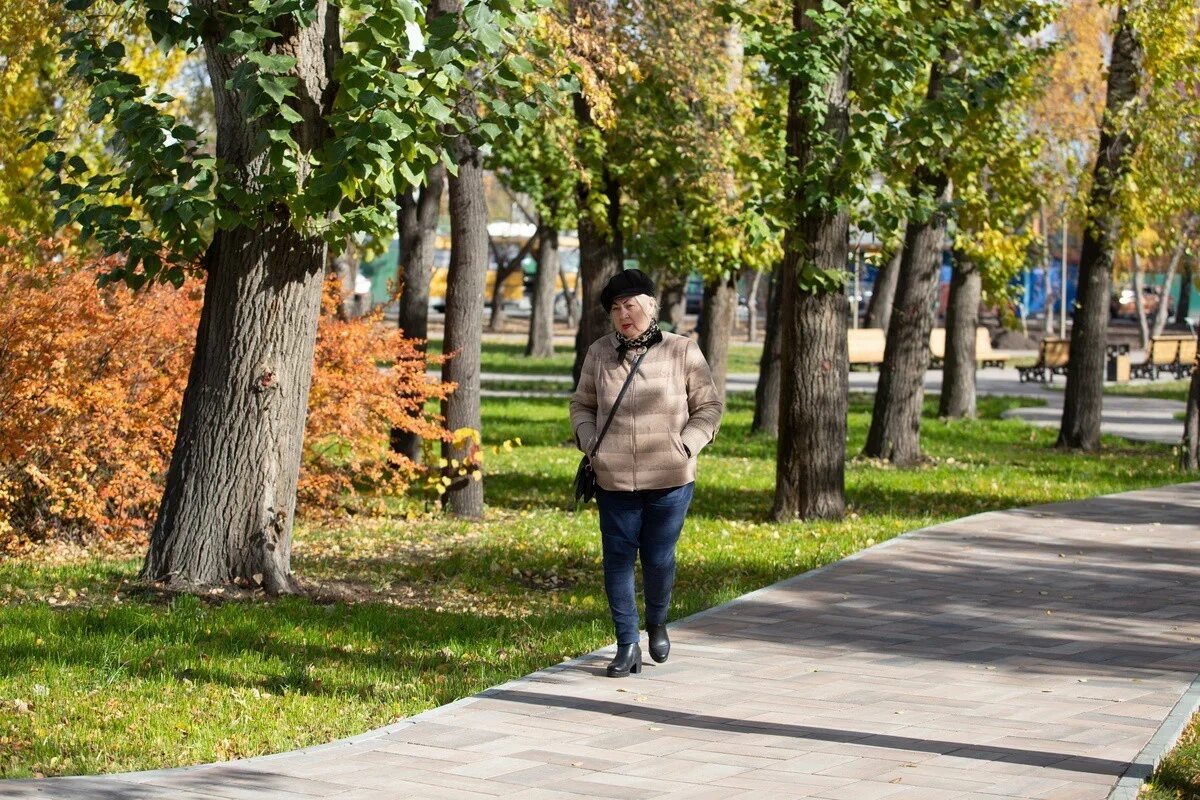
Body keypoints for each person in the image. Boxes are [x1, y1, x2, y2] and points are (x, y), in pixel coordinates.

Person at [570, 269, 724, 677]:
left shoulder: (682, 351)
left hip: (670, 479)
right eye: (616, 308)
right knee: (617, 560)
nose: (623, 314)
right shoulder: (599, 353)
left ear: (651, 306)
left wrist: (685, 445)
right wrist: (591, 445)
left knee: (658, 559)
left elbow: (709, 407)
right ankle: (626, 644)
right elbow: (582, 405)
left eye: (631, 305)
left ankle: (656, 620)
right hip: (614, 477)